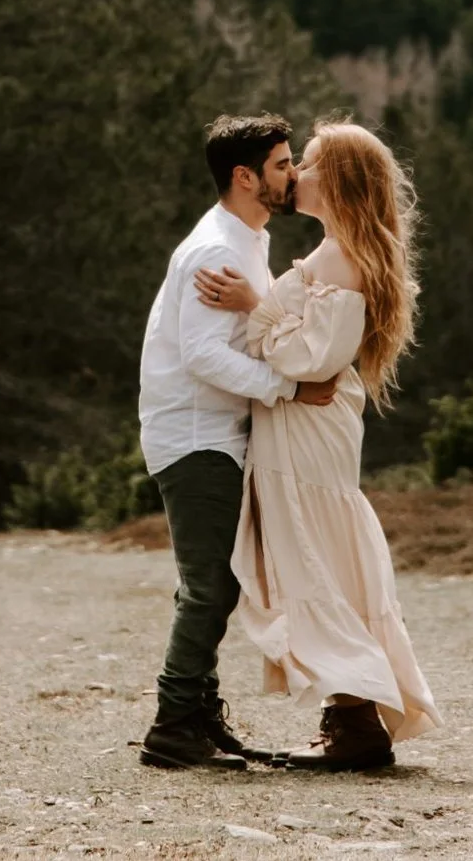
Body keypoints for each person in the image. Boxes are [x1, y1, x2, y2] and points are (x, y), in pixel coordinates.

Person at [206, 119, 440, 771]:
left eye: (307, 164)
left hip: (309, 433)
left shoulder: (340, 258)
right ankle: (351, 717)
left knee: (317, 560)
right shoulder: (339, 252)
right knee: (322, 558)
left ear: (334, 181)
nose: (297, 175)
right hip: (306, 429)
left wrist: (258, 305)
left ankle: (356, 722)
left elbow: (308, 357)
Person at [135, 114, 338, 771]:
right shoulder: (217, 250)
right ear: (245, 176)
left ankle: (197, 714)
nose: (294, 173)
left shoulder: (247, 237)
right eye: (282, 164)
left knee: (216, 580)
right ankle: (173, 726)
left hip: (212, 432)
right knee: (209, 585)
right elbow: (201, 356)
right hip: (193, 435)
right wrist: (287, 387)